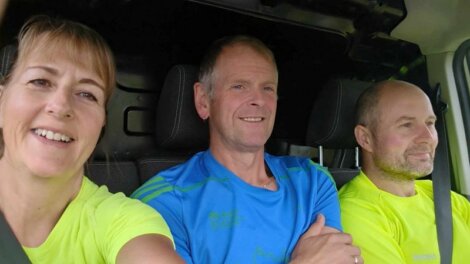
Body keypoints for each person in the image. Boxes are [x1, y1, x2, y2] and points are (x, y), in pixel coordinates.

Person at [132, 35, 362, 263]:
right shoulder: (163, 203)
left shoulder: (312, 181)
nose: (258, 100)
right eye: (239, 86)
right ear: (203, 101)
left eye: (268, 88)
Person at [0, 15, 184, 263]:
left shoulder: (122, 220)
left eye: (87, 94)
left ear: (101, 124)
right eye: (40, 81)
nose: (61, 105)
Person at [339, 80, 470, 263]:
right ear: (365, 138)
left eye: (430, 123)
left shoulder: (444, 197)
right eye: (407, 125)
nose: (428, 138)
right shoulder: (355, 213)